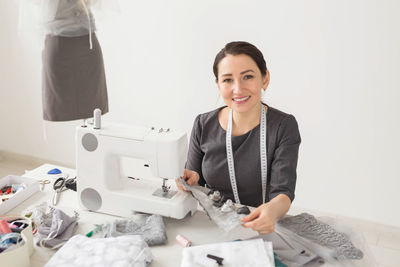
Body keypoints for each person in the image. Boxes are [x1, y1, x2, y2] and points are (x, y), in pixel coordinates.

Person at [176, 41, 301, 234]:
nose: (238, 89)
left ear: (265, 79)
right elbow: (194, 183)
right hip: (211, 226)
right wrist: (187, 180)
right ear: (218, 84)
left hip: (259, 226)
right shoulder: (203, 124)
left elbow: (283, 193)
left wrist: (272, 210)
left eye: (248, 77)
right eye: (227, 80)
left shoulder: (283, 127)